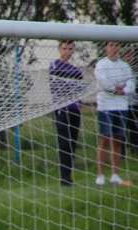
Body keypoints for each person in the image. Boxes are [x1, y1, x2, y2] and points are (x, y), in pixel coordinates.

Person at [94, 41, 135, 186]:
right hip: (105, 106)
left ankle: (115, 175)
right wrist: (114, 88)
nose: (114, 48)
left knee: (117, 140)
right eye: (111, 45)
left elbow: (131, 83)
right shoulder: (101, 65)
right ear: (106, 47)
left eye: (117, 45)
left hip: (121, 106)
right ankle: (100, 175)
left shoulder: (124, 66)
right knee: (105, 139)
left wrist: (124, 90)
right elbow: (104, 82)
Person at [49, 40, 84, 187]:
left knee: (72, 144)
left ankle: (68, 176)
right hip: (61, 110)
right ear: (59, 49)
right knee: (64, 143)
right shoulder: (54, 65)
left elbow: (79, 85)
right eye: (65, 48)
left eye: (70, 48)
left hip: (74, 110)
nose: (67, 51)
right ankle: (64, 178)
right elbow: (58, 82)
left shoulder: (75, 69)